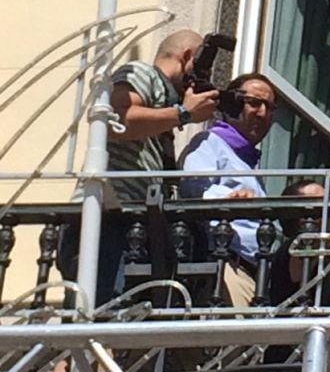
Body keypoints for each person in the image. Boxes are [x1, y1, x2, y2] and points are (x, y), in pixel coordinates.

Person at [57, 28, 219, 305]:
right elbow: (115, 119)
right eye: (202, 69)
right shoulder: (142, 74)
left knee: (116, 320)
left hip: (129, 228)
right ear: (188, 56)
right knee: (98, 317)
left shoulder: (162, 104)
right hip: (107, 219)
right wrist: (183, 113)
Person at [179, 71, 277, 307]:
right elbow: (193, 187)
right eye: (254, 103)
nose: (262, 113)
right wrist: (229, 197)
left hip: (256, 274)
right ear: (232, 104)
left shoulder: (247, 160)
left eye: (269, 107)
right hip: (229, 268)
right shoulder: (210, 141)